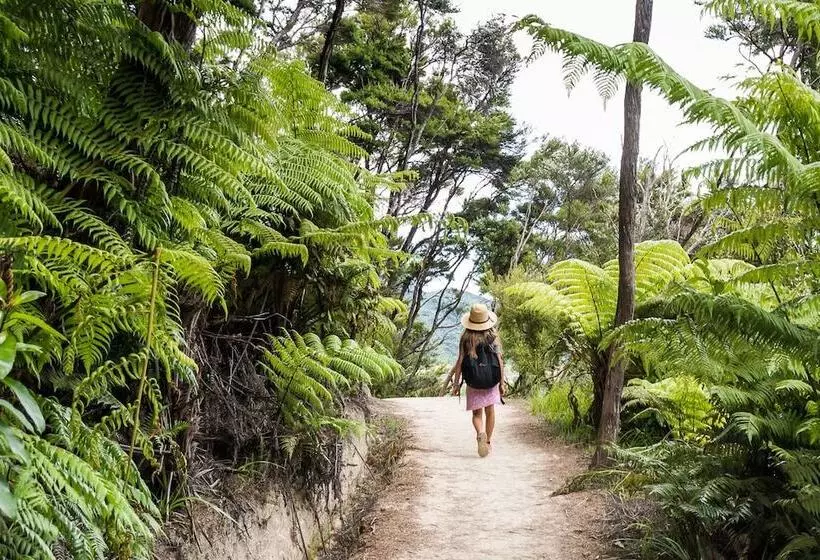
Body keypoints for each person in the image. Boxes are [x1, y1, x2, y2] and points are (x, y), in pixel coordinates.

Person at [450, 303, 505, 458]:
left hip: (473, 381)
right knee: (490, 411)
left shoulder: (466, 338)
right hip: (491, 381)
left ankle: (480, 433)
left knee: (477, 414)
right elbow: (499, 361)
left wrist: (456, 384)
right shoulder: (492, 337)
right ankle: (487, 442)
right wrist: (501, 383)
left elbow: (460, 361)